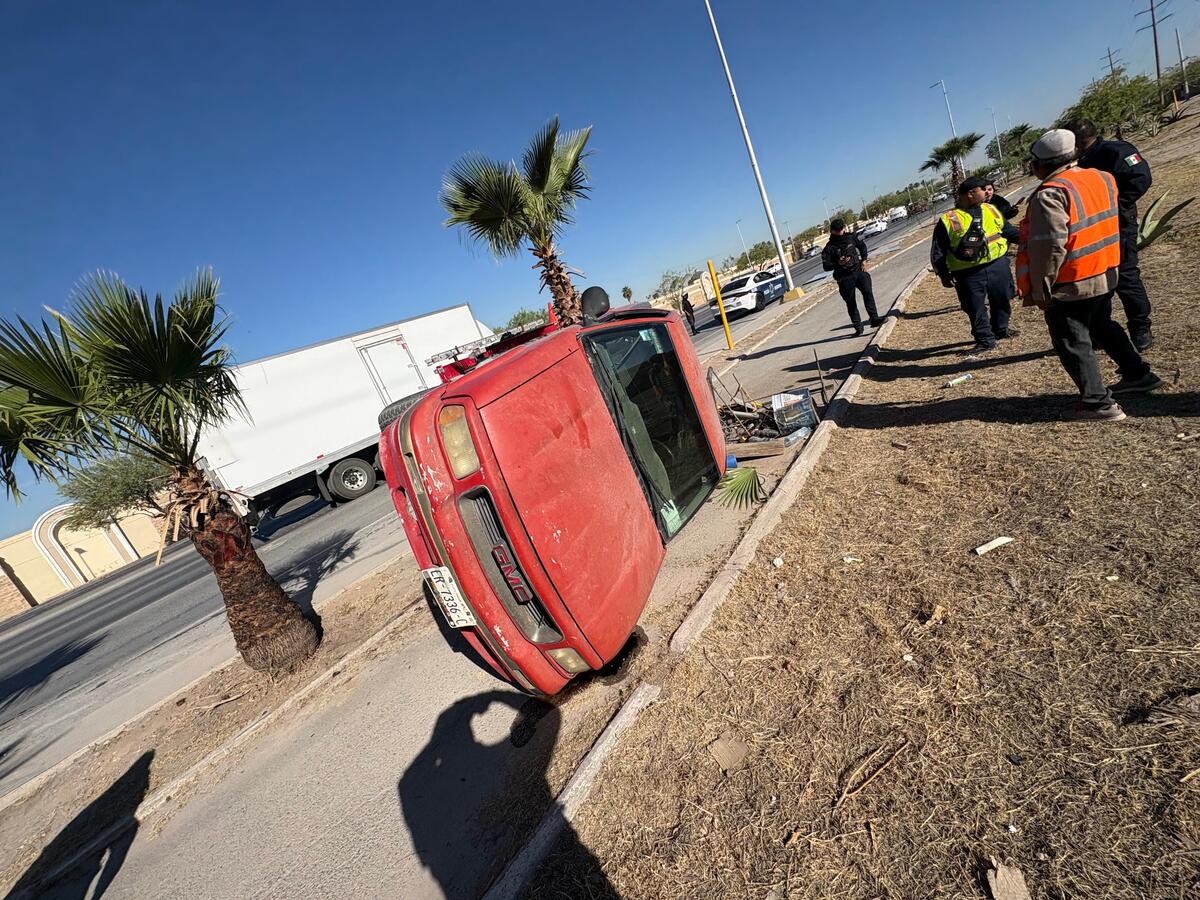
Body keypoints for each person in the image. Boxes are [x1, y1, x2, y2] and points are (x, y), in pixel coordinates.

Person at [1016, 129, 1162, 422]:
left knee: (1071, 338)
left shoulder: (1050, 194)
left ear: (1039, 164)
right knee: (1101, 323)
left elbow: (1049, 247)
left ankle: (1097, 403)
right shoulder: (1101, 177)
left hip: (1073, 279)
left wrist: (1042, 288)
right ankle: (1138, 374)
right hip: (1105, 270)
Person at [1068, 118, 1155, 350]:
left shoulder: (1115, 152)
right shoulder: (1081, 161)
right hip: (1091, 231)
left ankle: (1140, 327)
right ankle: (1103, 331)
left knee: (1126, 277)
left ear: (1076, 141)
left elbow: (1141, 178)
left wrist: (1113, 207)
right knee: (1098, 282)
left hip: (1118, 227)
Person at [930, 176, 1020, 352]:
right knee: (975, 307)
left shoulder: (991, 209)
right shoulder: (948, 219)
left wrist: (1028, 239)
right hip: (967, 274)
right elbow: (938, 251)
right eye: (983, 189)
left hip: (997, 265)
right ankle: (985, 339)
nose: (987, 192)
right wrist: (943, 274)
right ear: (971, 194)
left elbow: (1007, 230)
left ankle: (1000, 329)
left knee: (1002, 298)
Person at [821, 218, 883, 336]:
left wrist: (864, 260)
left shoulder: (850, 237)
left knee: (868, 293)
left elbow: (862, 247)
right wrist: (838, 263)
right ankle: (858, 327)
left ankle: (874, 319)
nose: (840, 232)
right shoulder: (829, 248)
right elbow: (826, 266)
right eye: (838, 230)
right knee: (851, 303)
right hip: (844, 278)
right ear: (832, 231)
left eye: (841, 229)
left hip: (858, 271)